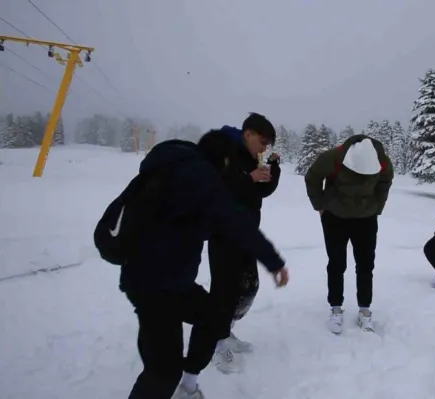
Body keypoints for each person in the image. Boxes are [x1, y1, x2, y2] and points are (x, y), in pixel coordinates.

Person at [111, 136, 289, 399]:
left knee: (215, 316)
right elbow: (237, 222)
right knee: (163, 372)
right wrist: (274, 262)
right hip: (155, 288)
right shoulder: (200, 179)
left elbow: (107, 229)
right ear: (224, 159)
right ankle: (179, 383)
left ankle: (188, 386)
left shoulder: (158, 173)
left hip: (170, 282)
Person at [204, 114, 282, 374]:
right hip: (222, 233)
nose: (264, 148)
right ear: (247, 133)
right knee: (224, 290)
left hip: (246, 232)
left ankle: (225, 331)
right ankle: (215, 342)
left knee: (247, 287)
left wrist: (273, 170)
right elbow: (214, 188)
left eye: (268, 144)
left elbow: (260, 191)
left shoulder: (251, 156)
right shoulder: (221, 149)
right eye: (262, 142)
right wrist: (248, 178)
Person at [304, 134, 394, 334]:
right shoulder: (332, 158)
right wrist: (319, 204)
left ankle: (365, 310)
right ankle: (336, 308)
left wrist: (378, 206)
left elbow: (386, 180)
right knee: (336, 262)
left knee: (365, 263)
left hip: (366, 217)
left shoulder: (382, 160)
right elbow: (312, 177)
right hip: (335, 215)